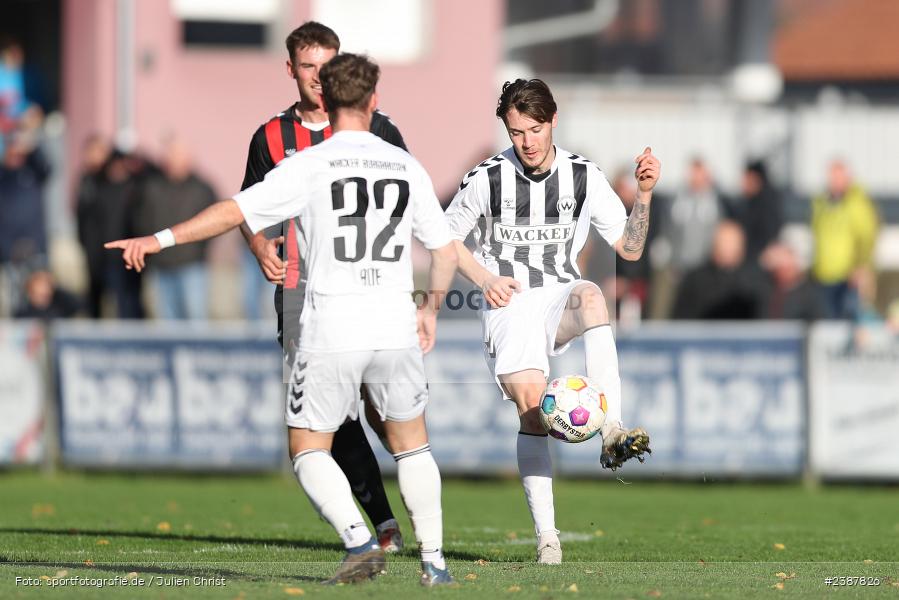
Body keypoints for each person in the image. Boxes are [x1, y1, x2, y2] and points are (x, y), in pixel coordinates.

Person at [106, 53, 459, 586]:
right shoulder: (405, 165)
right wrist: (430, 309)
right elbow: (444, 249)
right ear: (374, 101)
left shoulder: (312, 164)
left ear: (326, 99)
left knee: (307, 449)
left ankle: (361, 543)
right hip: (394, 326)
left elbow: (234, 211)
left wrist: (157, 239)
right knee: (413, 443)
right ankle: (435, 565)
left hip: (332, 328)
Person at [444, 79, 658, 564]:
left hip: (558, 294)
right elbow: (444, 238)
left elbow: (629, 247)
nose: (528, 142)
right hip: (509, 303)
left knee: (592, 295)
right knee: (532, 409)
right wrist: (482, 278)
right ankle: (548, 538)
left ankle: (612, 431)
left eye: (536, 129)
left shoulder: (583, 175)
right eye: (517, 132)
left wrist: (643, 195)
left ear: (553, 121)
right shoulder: (487, 178)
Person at [240, 22, 407, 551]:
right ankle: (384, 523)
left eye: (327, 66)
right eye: (308, 67)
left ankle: (419, 506)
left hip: (370, 291)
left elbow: (407, 202)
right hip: (300, 294)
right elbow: (248, 206)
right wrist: (259, 243)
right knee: (329, 416)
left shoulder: (378, 129)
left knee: (387, 414)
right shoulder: (270, 137)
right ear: (290, 69)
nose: (318, 78)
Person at [133, 135, 215, 319]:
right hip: (161, 266)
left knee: (195, 320)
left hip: (191, 266)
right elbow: (141, 219)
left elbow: (216, 223)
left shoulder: (202, 188)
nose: (174, 161)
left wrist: (197, 248)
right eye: (170, 156)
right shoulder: (152, 186)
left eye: (178, 156)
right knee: (167, 325)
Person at [810, 159, 879, 320]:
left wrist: (861, 266)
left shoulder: (858, 204)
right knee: (827, 322)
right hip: (824, 274)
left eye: (838, 177)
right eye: (832, 177)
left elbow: (866, 238)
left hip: (848, 277)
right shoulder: (821, 203)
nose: (834, 181)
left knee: (848, 321)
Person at [671, 221, 768, 320]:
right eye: (724, 242)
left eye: (732, 242)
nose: (727, 248)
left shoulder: (753, 284)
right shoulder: (695, 280)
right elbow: (681, 320)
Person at [733, 160, 783, 265]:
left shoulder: (767, 206)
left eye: (747, 178)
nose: (743, 183)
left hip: (757, 264)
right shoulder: (748, 203)